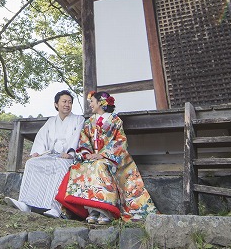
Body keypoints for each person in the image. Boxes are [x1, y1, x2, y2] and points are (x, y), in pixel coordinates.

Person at [55, 91, 158, 224]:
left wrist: (102, 154)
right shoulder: (89, 122)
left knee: (99, 166)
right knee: (78, 167)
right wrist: (87, 154)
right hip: (93, 157)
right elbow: (84, 141)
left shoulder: (115, 120)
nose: (90, 104)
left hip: (113, 158)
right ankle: (91, 210)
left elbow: (120, 142)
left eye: (92, 101)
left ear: (101, 103)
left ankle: (106, 211)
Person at [5, 90, 84, 218]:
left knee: (61, 166)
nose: (67, 104)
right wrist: (38, 152)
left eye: (70, 102)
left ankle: (55, 208)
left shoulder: (78, 120)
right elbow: (42, 138)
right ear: (56, 104)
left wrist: (70, 152)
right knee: (31, 163)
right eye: (64, 101)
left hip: (67, 157)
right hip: (51, 155)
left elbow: (77, 137)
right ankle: (26, 203)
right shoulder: (51, 121)